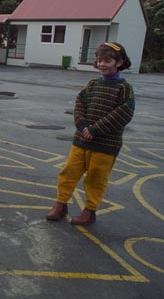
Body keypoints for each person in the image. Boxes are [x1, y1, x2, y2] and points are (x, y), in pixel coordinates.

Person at [46, 42, 134, 225]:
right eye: (99, 60)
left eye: (107, 61)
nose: (102, 64)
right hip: (81, 141)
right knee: (68, 172)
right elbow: (80, 104)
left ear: (119, 63)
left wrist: (95, 129)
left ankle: (89, 210)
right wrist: (82, 124)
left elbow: (124, 112)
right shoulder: (92, 84)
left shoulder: (124, 88)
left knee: (96, 178)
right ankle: (61, 204)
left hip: (106, 145)